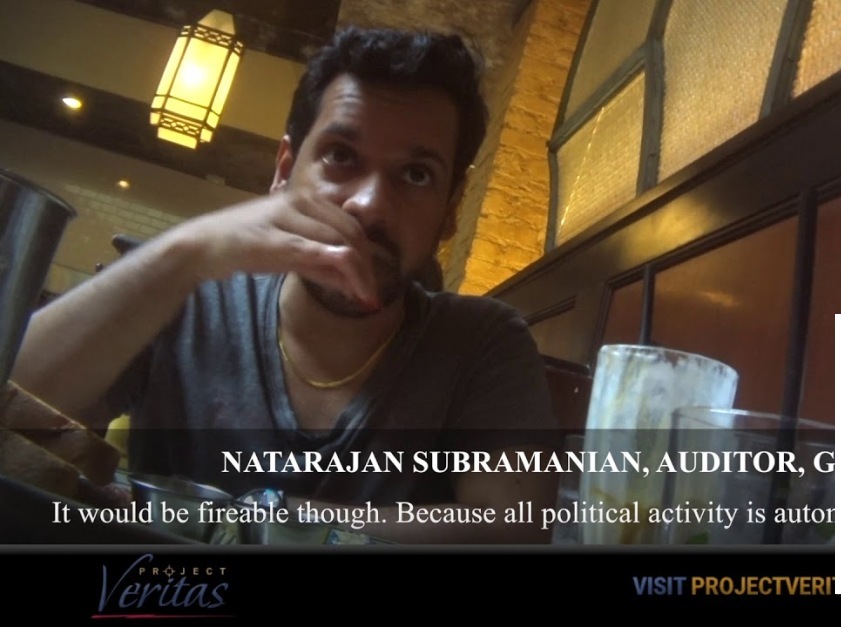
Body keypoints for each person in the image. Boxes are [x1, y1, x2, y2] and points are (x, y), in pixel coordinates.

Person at [10, 27, 559, 543]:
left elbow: (515, 527)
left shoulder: (481, 342)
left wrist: (274, 515)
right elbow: (12, 408)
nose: (368, 205)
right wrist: (185, 252)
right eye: (340, 156)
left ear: (451, 211)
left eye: (416, 175)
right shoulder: (187, 297)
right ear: (285, 169)